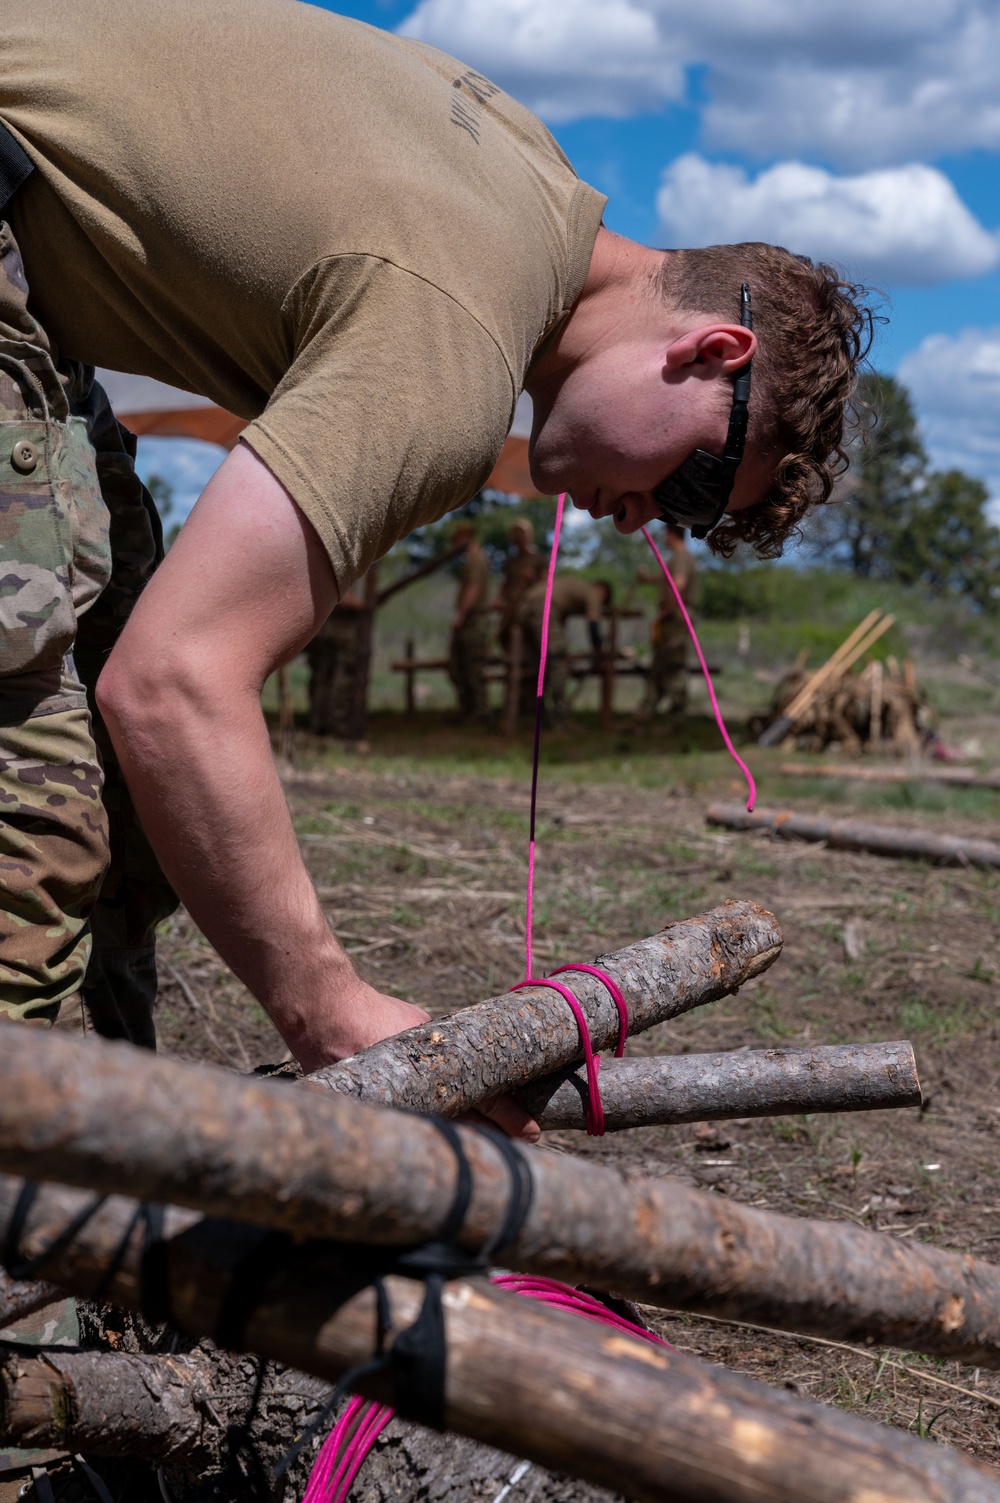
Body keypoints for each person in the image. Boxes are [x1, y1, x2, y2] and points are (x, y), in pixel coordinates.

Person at [0, 0, 875, 1123]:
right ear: (711, 350)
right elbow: (174, 683)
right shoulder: (454, 342)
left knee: (119, 796)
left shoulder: (530, 172)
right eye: (693, 482)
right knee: (33, 806)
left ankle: (91, 1158)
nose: (644, 518)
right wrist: (332, 1013)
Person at [521, 574, 611, 725]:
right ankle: (560, 717)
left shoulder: (574, 586)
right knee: (558, 660)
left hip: (525, 605)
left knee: (537, 662)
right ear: (602, 591)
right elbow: (593, 624)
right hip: (543, 607)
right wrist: (598, 649)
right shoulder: (592, 593)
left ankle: (534, 712)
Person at [635, 524, 698, 723]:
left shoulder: (680, 557)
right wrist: (647, 579)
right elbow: (667, 579)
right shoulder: (679, 558)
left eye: (665, 534)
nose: (664, 539)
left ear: (671, 534)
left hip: (675, 618)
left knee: (672, 664)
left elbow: (678, 583)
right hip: (673, 618)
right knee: (660, 664)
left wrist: (667, 610)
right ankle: (648, 711)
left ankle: (677, 714)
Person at [447, 522, 492, 722]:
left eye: (457, 539)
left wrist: (461, 615)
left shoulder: (476, 559)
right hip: (470, 620)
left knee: (473, 667)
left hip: (474, 621)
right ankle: (468, 710)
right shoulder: (472, 560)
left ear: (465, 537)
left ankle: (480, 712)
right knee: (459, 666)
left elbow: (473, 588)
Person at [307, 588, 364, 738]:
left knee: (326, 677)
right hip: (335, 636)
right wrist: (364, 605)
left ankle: (323, 723)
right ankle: (334, 725)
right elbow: (346, 600)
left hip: (325, 633)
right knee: (339, 678)